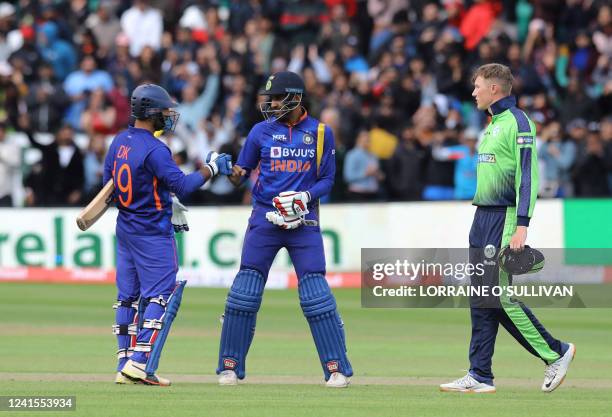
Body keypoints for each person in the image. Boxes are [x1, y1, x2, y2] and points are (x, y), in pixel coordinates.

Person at [440, 64, 575, 394]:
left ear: (494, 90)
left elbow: (528, 176)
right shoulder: (492, 124)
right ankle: (480, 374)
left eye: (477, 86)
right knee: (482, 298)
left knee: (497, 295)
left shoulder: (518, 122)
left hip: (504, 218)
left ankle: (556, 352)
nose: (473, 92)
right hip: (482, 217)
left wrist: (522, 226)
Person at [217, 71, 353, 388]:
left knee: (315, 294)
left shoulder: (321, 132)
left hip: (303, 220)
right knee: (244, 293)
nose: (272, 104)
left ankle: (336, 369)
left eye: (278, 98)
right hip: (265, 217)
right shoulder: (260, 131)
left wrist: (304, 197)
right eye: (270, 98)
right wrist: (225, 169)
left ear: (296, 97)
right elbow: (241, 173)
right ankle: (229, 366)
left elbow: (327, 180)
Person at [104, 83, 232, 386]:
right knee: (161, 294)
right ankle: (139, 362)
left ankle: (124, 363)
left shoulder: (119, 141)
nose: (168, 115)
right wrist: (211, 169)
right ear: (150, 112)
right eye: (164, 111)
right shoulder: (156, 149)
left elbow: (110, 186)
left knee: (127, 298)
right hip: (152, 231)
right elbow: (184, 185)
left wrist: (161, 198)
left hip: (126, 228)